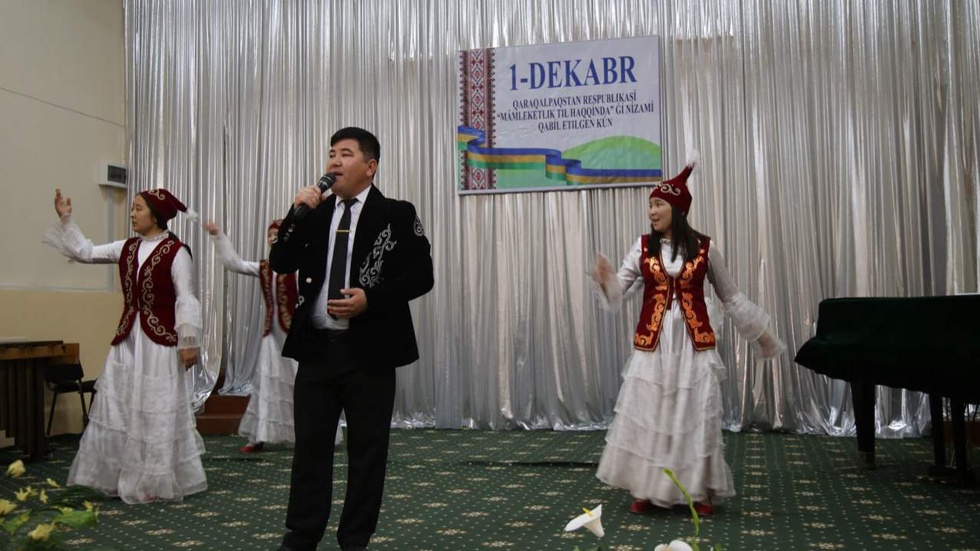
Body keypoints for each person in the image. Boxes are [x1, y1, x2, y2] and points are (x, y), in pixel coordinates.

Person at [271, 127, 434, 551]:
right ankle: (301, 536)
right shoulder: (316, 213)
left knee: (367, 452)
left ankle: (355, 539)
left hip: (370, 355)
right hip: (316, 351)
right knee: (310, 450)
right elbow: (281, 260)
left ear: (370, 166)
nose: (334, 161)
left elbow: (422, 276)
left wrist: (371, 299)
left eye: (345, 153)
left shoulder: (396, 214)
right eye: (331, 153)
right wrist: (295, 213)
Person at [591, 158, 784, 516]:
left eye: (658, 205)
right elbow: (619, 292)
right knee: (651, 411)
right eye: (650, 205)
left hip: (693, 345)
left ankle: (698, 490)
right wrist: (605, 280)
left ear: (677, 209)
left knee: (694, 413)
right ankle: (647, 488)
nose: (652, 211)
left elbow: (731, 297)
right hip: (655, 345)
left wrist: (762, 335)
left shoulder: (705, 248)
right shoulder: (642, 247)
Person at [44, 187, 207, 505]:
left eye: (138, 208)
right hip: (128, 340)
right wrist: (66, 219)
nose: (132, 213)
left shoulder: (177, 252)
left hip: (159, 343)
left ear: (155, 216)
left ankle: (155, 480)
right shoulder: (127, 248)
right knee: (120, 406)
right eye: (132, 208)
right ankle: (119, 476)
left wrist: (188, 341)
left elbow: (186, 297)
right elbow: (86, 252)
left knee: (155, 406)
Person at [205, 220, 342, 452]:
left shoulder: (300, 268)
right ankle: (260, 435)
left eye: (277, 235)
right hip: (271, 335)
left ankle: (313, 434)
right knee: (267, 383)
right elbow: (234, 263)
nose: (272, 239)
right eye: (269, 235)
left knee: (302, 384)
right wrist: (218, 236)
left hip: (295, 336)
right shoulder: (265, 268)